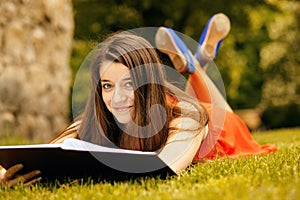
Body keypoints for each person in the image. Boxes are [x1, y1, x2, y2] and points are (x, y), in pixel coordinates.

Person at [0, 13, 277, 187]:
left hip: (220, 132)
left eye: (129, 84)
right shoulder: (95, 119)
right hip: (169, 110)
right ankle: (197, 62)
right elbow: (48, 154)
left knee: (218, 113)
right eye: (107, 85)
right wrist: (7, 176)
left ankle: (194, 66)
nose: (117, 98)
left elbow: (167, 167)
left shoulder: (188, 119)